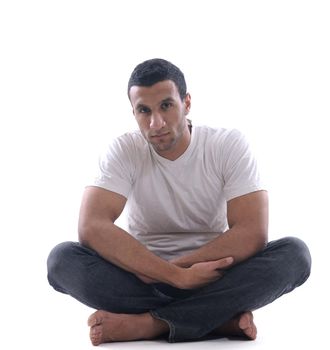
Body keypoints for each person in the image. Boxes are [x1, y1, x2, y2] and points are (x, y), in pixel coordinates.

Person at [47, 58, 311, 346]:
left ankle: (150, 324)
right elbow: (92, 226)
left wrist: (179, 271)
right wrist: (170, 275)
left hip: (214, 276)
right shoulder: (124, 150)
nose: (155, 123)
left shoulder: (226, 145)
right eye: (144, 111)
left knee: (295, 255)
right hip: (144, 277)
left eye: (166, 106)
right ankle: (215, 319)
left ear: (186, 102)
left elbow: (252, 232)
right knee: (62, 260)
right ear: (133, 112)